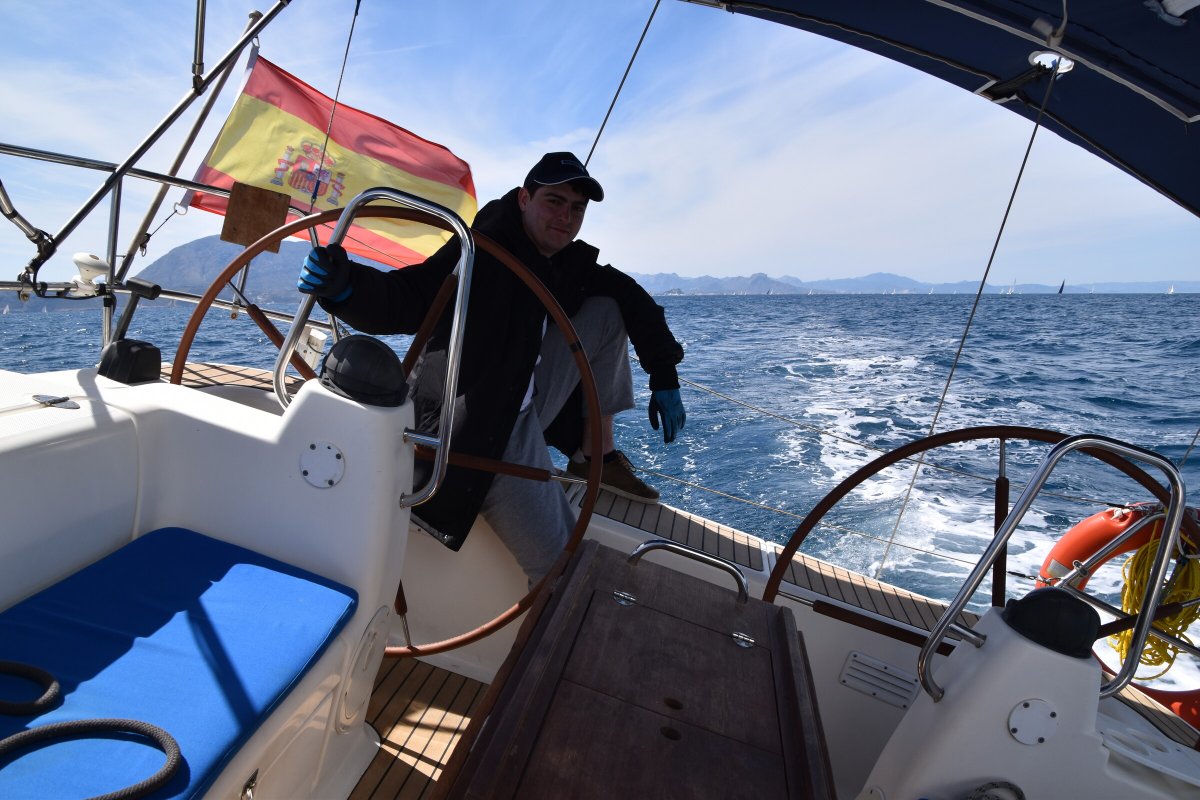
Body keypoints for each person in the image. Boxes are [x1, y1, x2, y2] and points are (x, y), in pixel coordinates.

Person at [297, 152, 685, 582]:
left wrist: (664, 374)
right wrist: (345, 287)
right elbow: (408, 297)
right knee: (563, 571)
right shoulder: (480, 250)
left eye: (577, 209)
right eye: (555, 202)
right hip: (479, 429)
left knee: (609, 308)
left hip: (525, 395)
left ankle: (596, 456)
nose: (567, 217)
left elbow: (629, 294)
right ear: (524, 199)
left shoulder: (559, 261)